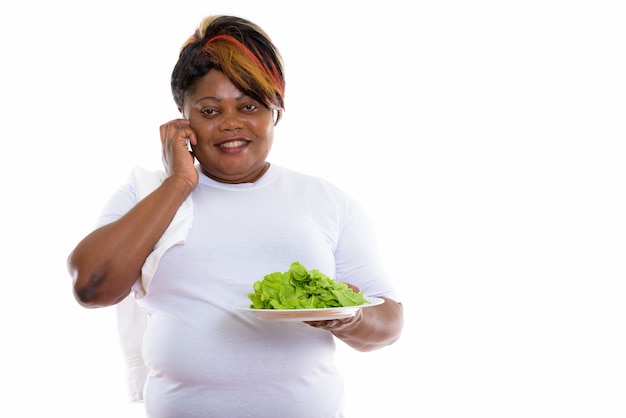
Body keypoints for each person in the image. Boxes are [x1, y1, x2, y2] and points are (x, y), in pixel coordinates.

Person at [67, 14, 403, 418]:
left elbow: (388, 322)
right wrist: (178, 184)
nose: (231, 124)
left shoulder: (327, 201)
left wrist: (342, 316)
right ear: (182, 116)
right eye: (209, 111)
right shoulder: (145, 195)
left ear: (275, 110)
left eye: (249, 106)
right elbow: (92, 286)